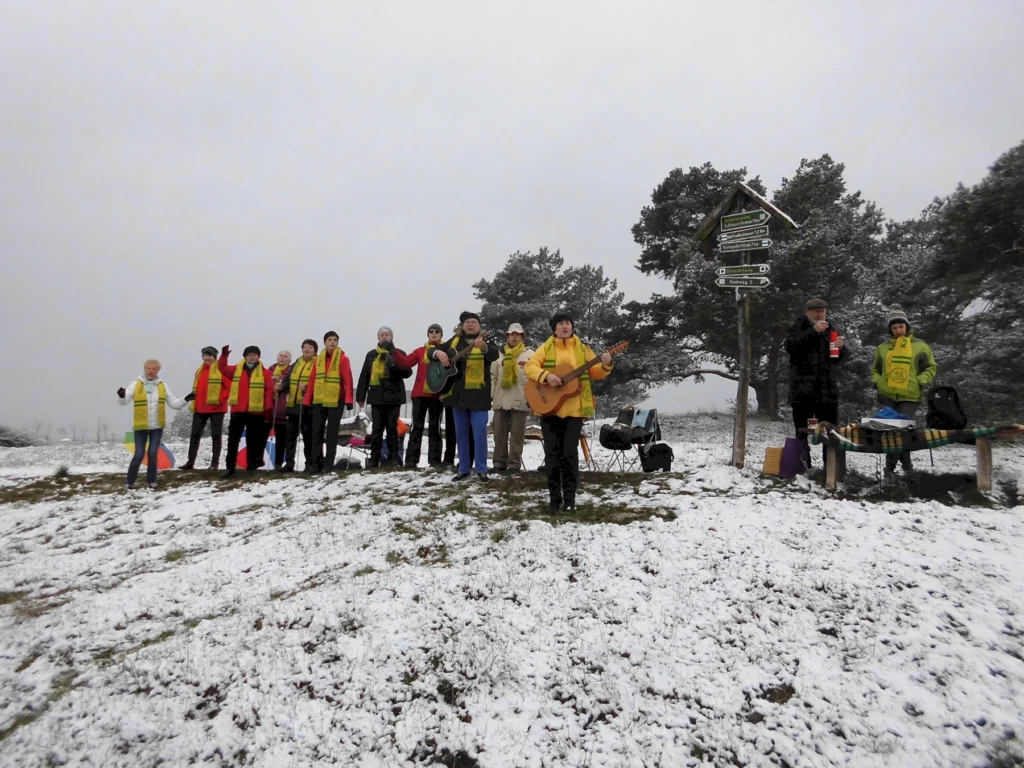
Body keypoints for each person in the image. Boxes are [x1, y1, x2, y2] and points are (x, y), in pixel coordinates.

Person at [525, 313, 612, 511]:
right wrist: (547, 377)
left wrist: (606, 363)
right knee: (552, 454)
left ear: (572, 327)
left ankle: (570, 500)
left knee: (570, 454)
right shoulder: (546, 347)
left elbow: (595, 372)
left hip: (574, 409)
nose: (565, 326)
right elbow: (530, 366)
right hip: (548, 409)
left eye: (568, 323)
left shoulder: (583, 348)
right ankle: (554, 500)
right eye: (560, 324)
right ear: (554, 329)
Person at [430, 312, 500, 482]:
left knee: (479, 432)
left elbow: (494, 354)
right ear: (462, 326)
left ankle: (482, 469)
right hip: (458, 396)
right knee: (460, 434)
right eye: (467, 322)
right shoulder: (454, 341)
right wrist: (438, 354)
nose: (470, 325)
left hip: (479, 396)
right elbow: (431, 351)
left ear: (479, 326)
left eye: (474, 322)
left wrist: (483, 347)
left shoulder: (486, 341)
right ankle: (464, 469)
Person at [871, 305, 938, 478]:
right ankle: (898, 469)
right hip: (888, 394)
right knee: (892, 430)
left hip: (910, 394)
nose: (898, 330)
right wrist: (878, 382)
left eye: (901, 326)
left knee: (902, 429)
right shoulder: (883, 348)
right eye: (894, 328)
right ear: (890, 330)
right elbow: (875, 369)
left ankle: (897, 468)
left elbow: (930, 367)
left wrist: (920, 381)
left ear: (907, 326)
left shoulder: (920, 346)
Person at [784, 298, 845, 466]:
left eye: (822, 312)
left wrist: (842, 348)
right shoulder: (797, 327)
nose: (820, 315)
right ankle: (802, 464)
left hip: (827, 391)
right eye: (816, 311)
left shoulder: (831, 329)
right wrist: (813, 331)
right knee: (802, 431)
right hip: (802, 391)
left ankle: (830, 467)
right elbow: (790, 346)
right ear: (807, 312)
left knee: (830, 432)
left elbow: (837, 360)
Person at [117, 358, 190, 489]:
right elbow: (124, 401)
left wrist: (186, 399)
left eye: (154, 369)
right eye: (148, 368)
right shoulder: (135, 384)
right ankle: (129, 482)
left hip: (157, 426)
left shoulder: (163, 386)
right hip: (141, 425)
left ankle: (151, 481)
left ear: (158, 371)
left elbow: (174, 404)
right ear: (144, 369)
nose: (151, 371)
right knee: (139, 454)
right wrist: (122, 395)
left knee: (152, 453)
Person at [356, 326, 413, 468]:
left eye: (387, 335)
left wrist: (393, 362)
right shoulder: (371, 355)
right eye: (382, 335)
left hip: (394, 397)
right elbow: (365, 375)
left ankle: (393, 459)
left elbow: (407, 372)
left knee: (392, 428)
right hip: (377, 396)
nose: (385, 337)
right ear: (378, 338)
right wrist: (360, 395)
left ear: (392, 338)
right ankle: (374, 460)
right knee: (377, 429)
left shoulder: (399, 353)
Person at [392, 323, 445, 468]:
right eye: (431, 331)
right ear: (427, 335)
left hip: (437, 395)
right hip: (419, 394)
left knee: (435, 427)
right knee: (417, 427)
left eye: (437, 332)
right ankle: (411, 461)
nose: (434, 334)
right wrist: (394, 350)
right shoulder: (420, 351)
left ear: (441, 335)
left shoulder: (445, 351)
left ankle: (434, 461)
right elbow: (406, 362)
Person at [302, 331, 354, 473]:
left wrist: (349, 399)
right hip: (319, 400)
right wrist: (307, 400)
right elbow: (312, 380)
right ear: (324, 342)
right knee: (316, 431)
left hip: (336, 400)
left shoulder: (343, 359)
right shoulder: (318, 360)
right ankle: (315, 463)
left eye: (335, 340)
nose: (332, 342)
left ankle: (328, 464)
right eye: (330, 340)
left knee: (332, 433)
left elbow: (348, 380)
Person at [219, 345, 273, 478]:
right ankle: (230, 467)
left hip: (256, 412)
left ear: (259, 357)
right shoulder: (236, 369)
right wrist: (224, 355)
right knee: (233, 440)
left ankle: (252, 467)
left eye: (255, 354)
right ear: (245, 356)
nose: (252, 356)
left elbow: (269, 391)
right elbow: (222, 368)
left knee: (253, 441)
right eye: (249, 354)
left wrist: (267, 409)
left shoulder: (265, 373)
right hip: (238, 410)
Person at [489, 323, 533, 473]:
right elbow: (493, 377)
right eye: (511, 334)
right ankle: (499, 463)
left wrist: (531, 400)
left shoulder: (530, 355)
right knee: (499, 433)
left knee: (517, 434)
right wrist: (492, 396)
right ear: (507, 336)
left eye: (517, 334)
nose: (514, 337)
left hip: (521, 399)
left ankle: (514, 464)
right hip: (501, 399)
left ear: (522, 337)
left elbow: (532, 379)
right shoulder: (499, 355)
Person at [182, 346, 228, 470]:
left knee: (216, 436)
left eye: (210, 355)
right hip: (199, 407)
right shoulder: (199, 370)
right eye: (205, 355)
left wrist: (221, 399)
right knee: (195, 435)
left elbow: (229, 387)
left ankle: (214, 463)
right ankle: (190, 462)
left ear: (215, 357)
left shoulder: (221, 369)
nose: (207, 358)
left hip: (217, 408)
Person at [280, 338, 318, 472]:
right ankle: (289, 462)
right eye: (305, 347)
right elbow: (288, 379)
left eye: (310, 347)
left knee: (308, 436)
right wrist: (281, 386)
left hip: (308, 405)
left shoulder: (317, 363)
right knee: (290, 436)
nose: (307, 349)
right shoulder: (297, 363)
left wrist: (307, 388)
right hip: (293, 405)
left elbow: (318, 382)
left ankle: (309, 463)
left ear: (315, 351)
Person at [267, 350, 292, 470]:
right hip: (269, 411)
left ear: (289, 360)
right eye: (280, 356)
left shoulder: (291, 371)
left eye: (285, 356)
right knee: (262, 438)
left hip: (283, 411)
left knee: (281, 440)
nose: (282, 358)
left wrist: (280, 382)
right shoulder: (270, 370)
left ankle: (278, 463)